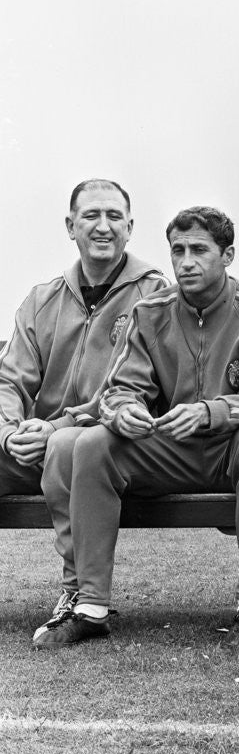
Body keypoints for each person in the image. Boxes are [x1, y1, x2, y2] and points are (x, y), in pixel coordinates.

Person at [33, 206, 239, 650]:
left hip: (230, 448)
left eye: (199, 250)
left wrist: (210, 411)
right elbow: (118, 390)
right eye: (177, 250)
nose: (186, 261)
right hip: (169, 449)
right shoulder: (150, 311)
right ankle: (90, 607)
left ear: (227, 255)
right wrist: (123, 410)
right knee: (94, 441)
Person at [0, 179, 166, 641]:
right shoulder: (42, 299)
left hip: (106, 441)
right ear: (70, 226)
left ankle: (78, 593)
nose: (103, 226)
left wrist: (54, 426)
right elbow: (10, 379)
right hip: (35, 441)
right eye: (91, 216)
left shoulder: (154, 293)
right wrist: (10, 432)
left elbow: (136, 386)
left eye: (114, 216)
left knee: (68, 445)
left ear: (130, 228)